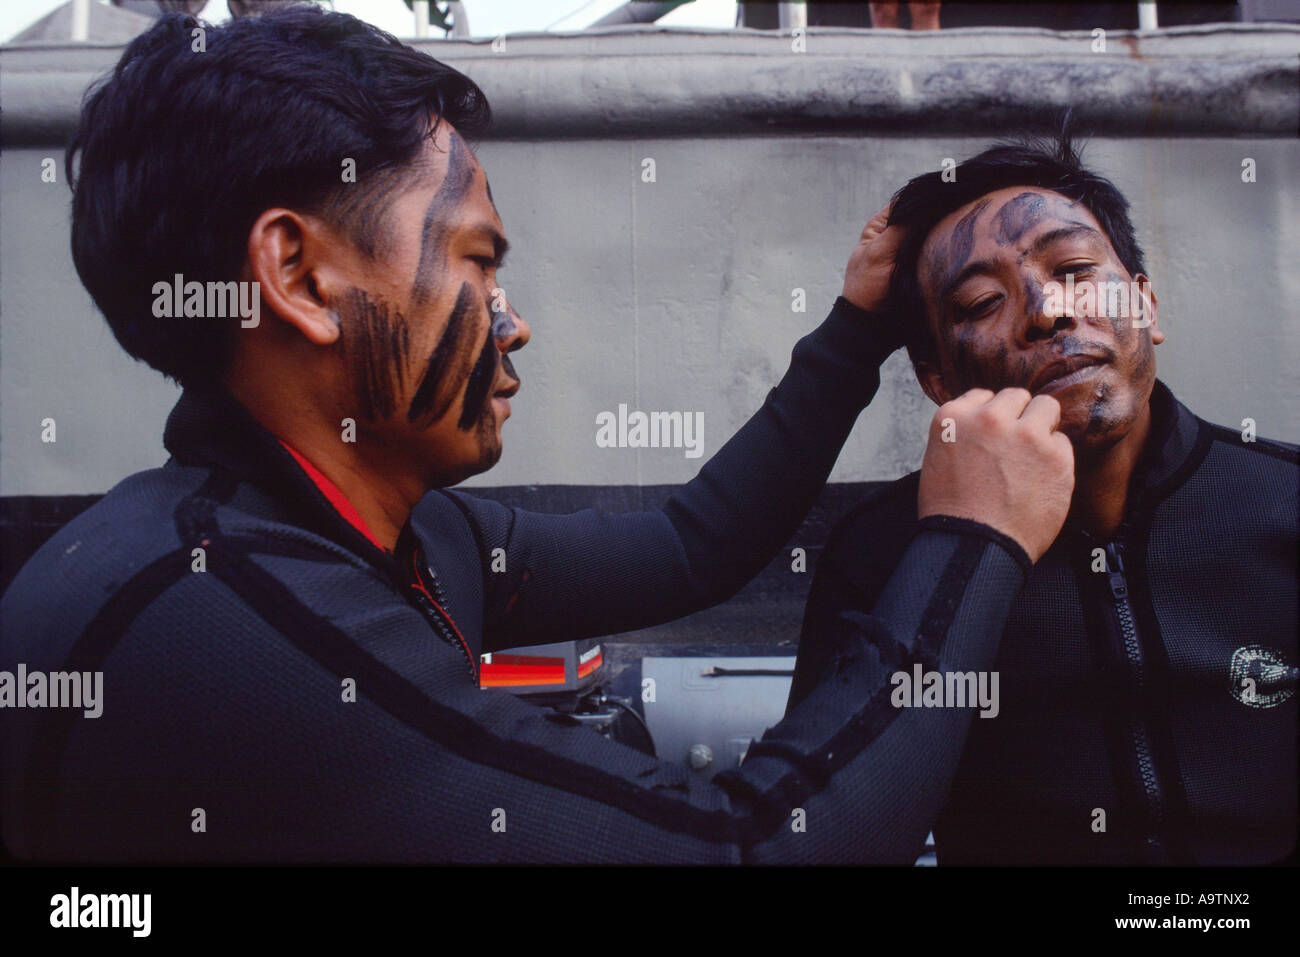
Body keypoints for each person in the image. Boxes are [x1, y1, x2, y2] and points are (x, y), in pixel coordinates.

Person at [0, 6, 1074, 864]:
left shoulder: (355, 535)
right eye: (475, 260)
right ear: (298, 276)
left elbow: (694, 540)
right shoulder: (223, 628)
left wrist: (854, 332)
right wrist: (971, 544)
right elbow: (748, 851)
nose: (514, 321)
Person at [788, 132, 1298, 865]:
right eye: (982, 300)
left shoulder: (1284, 506)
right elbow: (821, 835)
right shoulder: (884, 557)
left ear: (1148, 304)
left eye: (1077, 268)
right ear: (937, 380)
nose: (1048, 309)